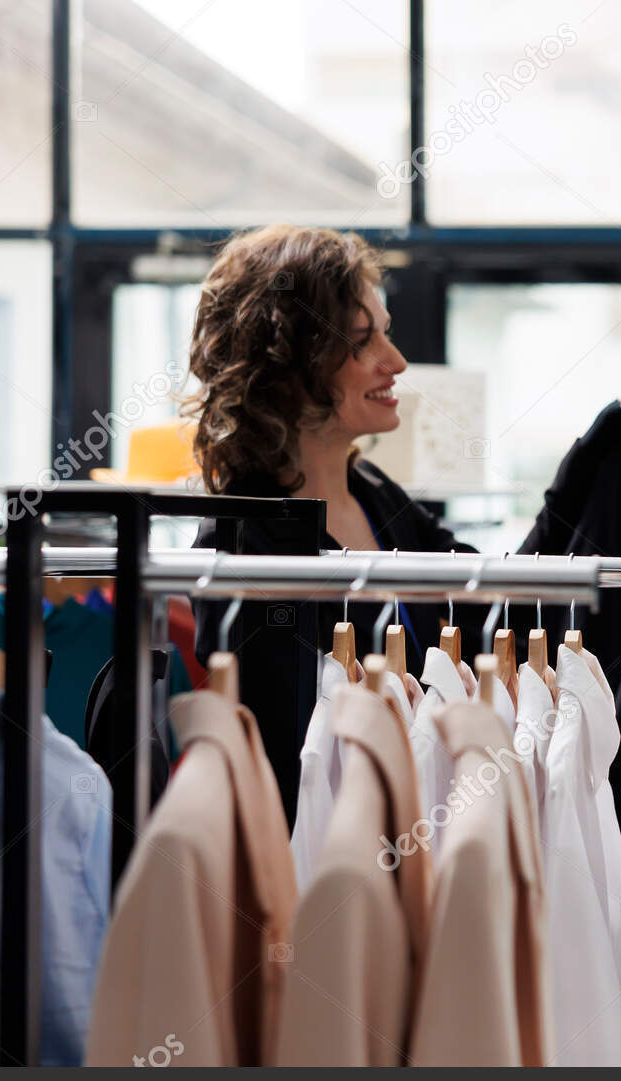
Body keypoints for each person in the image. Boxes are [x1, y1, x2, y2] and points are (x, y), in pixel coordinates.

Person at [184, 224, 482, 825]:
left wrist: (603, 455)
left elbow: (497, 601)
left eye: (387, 334)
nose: (395, 362)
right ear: (290, 363)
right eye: (362, 342)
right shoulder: (243, 547)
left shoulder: (376, 493)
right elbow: (277, 777)